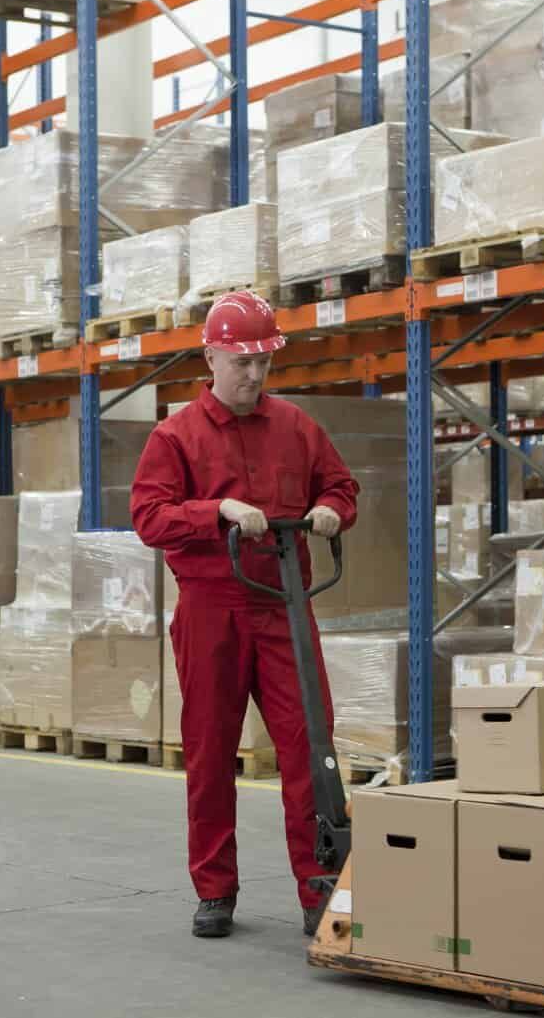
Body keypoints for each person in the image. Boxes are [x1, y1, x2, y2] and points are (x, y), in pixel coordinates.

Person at [130, 291, 359, 940]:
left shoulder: (296, 428)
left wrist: (332, 511)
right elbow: (149, 516)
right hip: (213, 611)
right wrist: (218, 511)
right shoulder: (175, 437)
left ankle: (322, 887)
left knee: (309, 748)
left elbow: (340, 486)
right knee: (211, 752)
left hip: (285, 604)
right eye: (240, 362)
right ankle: (215, 887)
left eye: (263, 363)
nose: (253, 376)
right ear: (210, 356)